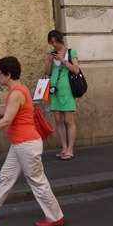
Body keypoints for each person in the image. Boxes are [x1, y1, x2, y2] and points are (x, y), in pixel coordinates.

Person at [0, 56, 65, 226]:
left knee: (37, 180)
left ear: (7, 75)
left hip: (26, 144)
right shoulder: (19, 90)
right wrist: (4, 113)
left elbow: (7, 120)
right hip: (21, 143)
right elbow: (16, 113)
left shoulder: (16, 93)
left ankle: (55, 217)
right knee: (6, 177)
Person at [44, 30, 80, 160]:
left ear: (60, 40)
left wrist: (63, 60)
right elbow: (47, 73)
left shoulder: (71, 52)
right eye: (51, 42)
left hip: (67, 91)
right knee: (58, 121)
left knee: (68, 121)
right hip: (54, 90)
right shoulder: (52, 54)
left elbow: (76, 70)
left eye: (55, 41)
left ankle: (70, 149)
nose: (54, 45)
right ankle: (64, 148)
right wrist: (48, 61)